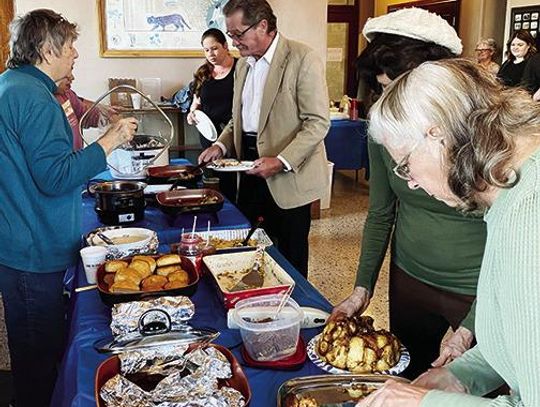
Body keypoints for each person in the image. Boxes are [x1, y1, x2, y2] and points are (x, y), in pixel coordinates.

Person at [356, 57, 540, 407]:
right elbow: (518, 342)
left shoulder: (529, 215)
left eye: (406, 163)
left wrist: (420, 403)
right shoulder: (508, 191)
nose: (408, 180)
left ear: (437, 133)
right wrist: (459, 375)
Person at [331, 8, 487, 380]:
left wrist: (471, 324)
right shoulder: (387, 129)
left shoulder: (484, 137)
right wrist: (361, 287)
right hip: (411, 279)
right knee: (409, 373)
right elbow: (381, 212)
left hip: (477, 288)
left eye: (398, 90)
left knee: (471, 385)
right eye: (383, 91)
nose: (389, 106)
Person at [0, 9, 136, 407]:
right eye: (71, 45)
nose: (75, 53)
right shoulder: (34, 98)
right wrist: (108, 142)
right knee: (39, 361)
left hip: (21, 242)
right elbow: (55, 176)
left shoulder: (15, 85)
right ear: (46, 48)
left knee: (34, 355)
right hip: (33, 250)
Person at [198, 0, 330, 277]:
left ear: (263, 26)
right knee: (250, 249)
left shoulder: (302, 58)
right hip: (247, 168)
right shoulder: (244, 65)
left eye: (238, 34)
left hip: (289, 175)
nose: (233, 42)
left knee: (291, 257)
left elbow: (317, 123)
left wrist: (281, 161)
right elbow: (239, 118)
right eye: (230, 35)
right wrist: (220, 144)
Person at [187, 28, 237, 201]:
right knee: (213, 183)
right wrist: (192, 114)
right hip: (208, 136)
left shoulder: (241, 70)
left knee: (232, 183)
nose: (211, 54)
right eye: (206, 50)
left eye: (214, 48)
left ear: (225, 45)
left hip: (233, 137)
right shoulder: (203, 73)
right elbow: (195, 105)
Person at [55, 74, 118, 150]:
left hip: (76, 156)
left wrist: (107, 115)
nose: (72, 77)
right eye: (69, 69)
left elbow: (85, 115)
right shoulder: (44, 102)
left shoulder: (66, 94)